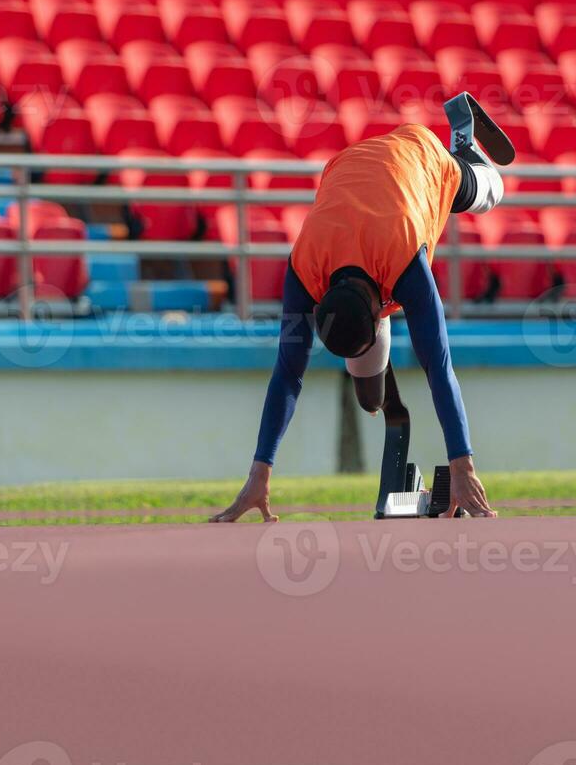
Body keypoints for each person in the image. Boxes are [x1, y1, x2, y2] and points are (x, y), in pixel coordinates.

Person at [209, 94, 514, 523]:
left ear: (381, 314)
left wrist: (463, 464)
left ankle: (464, 143)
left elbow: (438, 366)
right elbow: (287, 373)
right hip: (350, 170)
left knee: (490, 191)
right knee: (370, 397)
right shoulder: (304, 268)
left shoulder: (406, 262)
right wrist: (260, 472)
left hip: (420, 159)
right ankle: (402, 474)